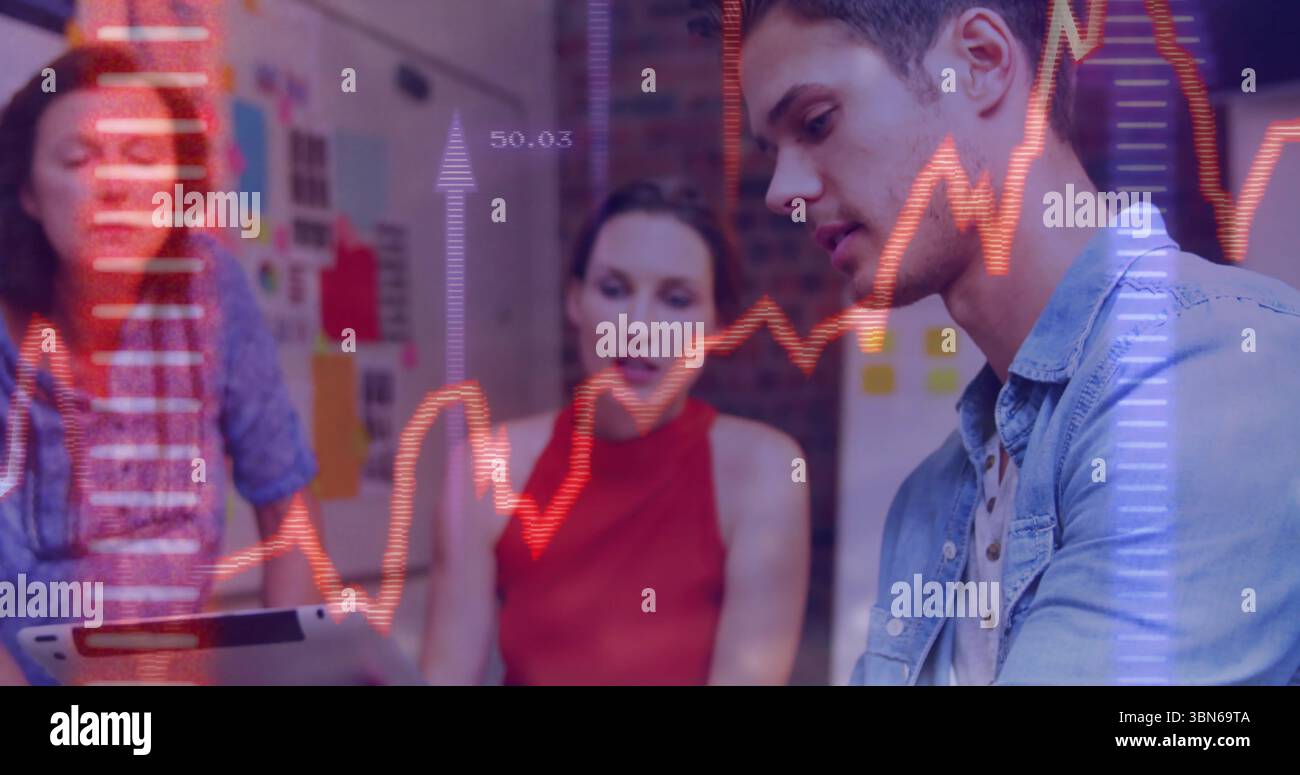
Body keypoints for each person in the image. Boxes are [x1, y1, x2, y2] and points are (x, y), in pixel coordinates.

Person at [697, 0, 1300, 684]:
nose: (783, 191)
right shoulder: (931, 499)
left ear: (979, 62)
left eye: (816, 122)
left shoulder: (1215, 373)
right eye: (773, 151)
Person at [0, 46, 322, 685]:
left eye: (142, 157)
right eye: (78, 159)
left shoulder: (210, 291)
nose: (113, 184)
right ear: (29, 192)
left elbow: (286, 512)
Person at [422, 179, 810, 685]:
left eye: (676, 299)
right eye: (613, 290)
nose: (639, 325)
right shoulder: (486, 465)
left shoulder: (765, 472)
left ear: (717, 327)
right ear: (574, 301)